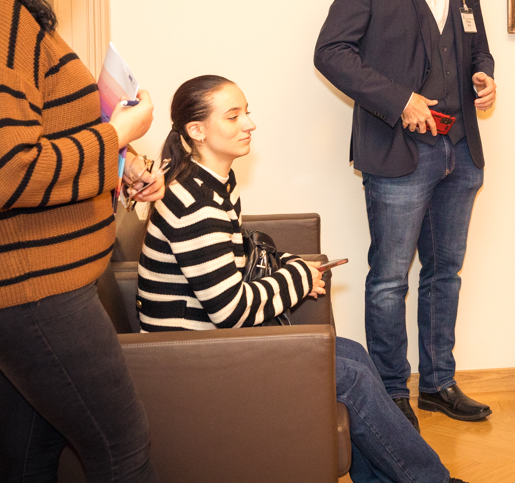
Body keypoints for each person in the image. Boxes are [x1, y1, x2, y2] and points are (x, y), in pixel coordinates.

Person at [136, 75, 468, 483]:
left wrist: (289, 264)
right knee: (350, 377)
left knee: (352, 354)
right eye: (233, 116)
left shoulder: (212, 181)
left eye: (247, 113)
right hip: (195, 360)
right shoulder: (194, 204)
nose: (249, 124)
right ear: (197, 131)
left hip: (214, 344)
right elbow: (231, 312)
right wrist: (297, 277)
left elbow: (237, 254)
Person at [314, 0, 496, 427]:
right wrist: (399, 101)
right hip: (399, 153)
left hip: (459, 150)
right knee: (390, 279)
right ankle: (391, 392)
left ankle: (438, 384)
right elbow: (330, 52)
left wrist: (484, 76)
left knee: (445, 274)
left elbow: (477, 45)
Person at [0, 0, 163, 482]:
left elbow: (38, 138)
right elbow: (10, 170)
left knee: (27, 460)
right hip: (35, 288)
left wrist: (117, 165)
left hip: (34, 283)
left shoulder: (21, 12)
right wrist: (118, 133)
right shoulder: (4, 17)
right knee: (123, 452)